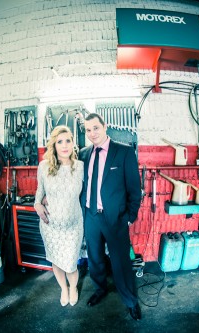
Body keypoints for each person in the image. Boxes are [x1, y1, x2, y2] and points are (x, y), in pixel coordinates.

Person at [79, 113, 142, 320]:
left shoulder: (124, 152)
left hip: (115, 218)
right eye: (88, 130)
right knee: (95, 258)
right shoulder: (83, 154)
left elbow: (135, 189)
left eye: (95, 128)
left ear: (104, 126)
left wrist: (129, 217)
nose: (92, 133)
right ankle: (100, 290)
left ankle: (131, 301)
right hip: (91, 216)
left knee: (121, 262)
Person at [34, 125, 84, 307]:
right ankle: (63, 288)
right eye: (60, 141)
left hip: (73, 225)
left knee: (70, 262)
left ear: (73, 143)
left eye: (68, 141)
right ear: (54, 145)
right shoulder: (44, 166)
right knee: (56, 260)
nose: (64, 145)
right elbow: (39, 192)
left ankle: (73, 288)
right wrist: (37, 204)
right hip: (51, 225)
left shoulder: (80, 167)